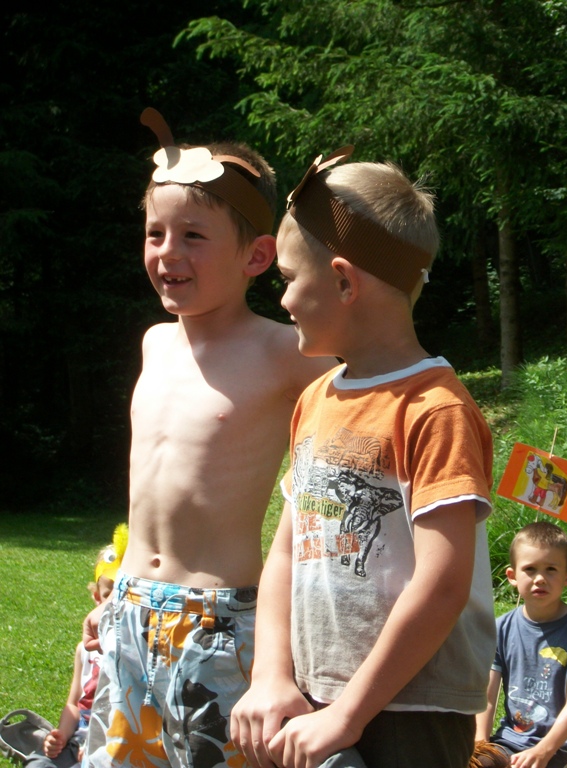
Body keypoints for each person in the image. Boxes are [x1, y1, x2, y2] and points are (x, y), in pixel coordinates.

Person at [81, 109, 333, 768]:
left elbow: (371, 401)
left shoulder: (285, 352)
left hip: (218, 620)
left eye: (193, 236)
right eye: (155, 233)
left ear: (256, 256)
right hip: (128, 609)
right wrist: (115, 589)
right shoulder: (154, 343)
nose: (168, 252)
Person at [229, 148, 495, 768]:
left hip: (413, 714)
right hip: (316, 699)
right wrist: (271, 676)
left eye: (289, 279)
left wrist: (349, 714)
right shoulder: (315, 399)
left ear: (345, 282)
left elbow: (443, 584)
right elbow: (286, 553)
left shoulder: (435, 409)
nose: (283, 300)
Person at [474, 521, 567, 768]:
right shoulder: (501, 628)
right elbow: (487, 696)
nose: (540, 579)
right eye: (530, 569)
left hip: (562, 744)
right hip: (510, 740)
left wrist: (543, 751)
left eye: (551, 569)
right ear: (512, 576)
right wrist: (480, 742)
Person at [26, 525, 127, 768]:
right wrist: (60, 734)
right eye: (108, 595)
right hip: (77, 740)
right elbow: (74, 704)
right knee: (38, 764)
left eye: (123, 594)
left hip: (113, 745)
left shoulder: (136, 653)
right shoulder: (84, 650)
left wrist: (98, 745)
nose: (114, 604)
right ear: (96, 598)